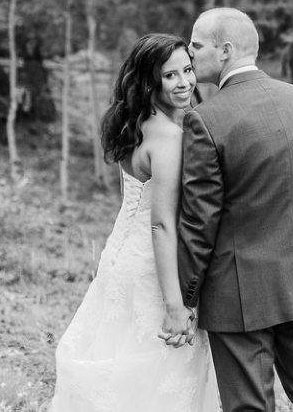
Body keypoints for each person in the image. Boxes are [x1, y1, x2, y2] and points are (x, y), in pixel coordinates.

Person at [163, 7, 293, 411]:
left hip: (238, 295)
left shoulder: (206, 120)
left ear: (225, 50)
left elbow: (200, 222)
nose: (190, 53)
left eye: (196, 44)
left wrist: (186, 296)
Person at [43, 34, 220, 412]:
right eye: (170, 75)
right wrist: (175, 305)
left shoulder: (137, 124)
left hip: (120, 258)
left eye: (188, 70)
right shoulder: (169, 137)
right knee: (159, 374)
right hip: (154, 269)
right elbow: (162, 224)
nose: (185, 82)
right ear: (150, 82)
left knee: (123, 362)